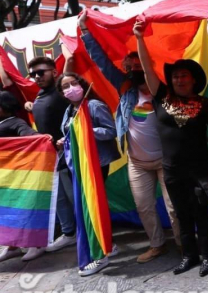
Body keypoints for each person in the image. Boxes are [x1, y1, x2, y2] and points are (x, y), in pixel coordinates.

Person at [72, 11, 181, 264]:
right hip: (137, 162)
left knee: (174, 207)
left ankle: (184, 244)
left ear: (147, 66)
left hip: (166, 160)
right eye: (129, 67)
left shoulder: (160, 90)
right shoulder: (125, 89)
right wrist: (85, 32)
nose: (133, 70)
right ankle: (157, 245)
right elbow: (101, 62)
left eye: (138, 65)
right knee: (144, 207)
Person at [135, 20, 208, 277]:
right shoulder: (161, 97)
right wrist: (139, 38)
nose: (179, 79)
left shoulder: (206, 104)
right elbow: (148, 69)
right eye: (175, 76)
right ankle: (189, 257)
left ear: (194, 80)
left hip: (199, 169)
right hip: (171, 169)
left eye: (184, 75)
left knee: (201, 213)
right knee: (182, 215)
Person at [57, 72, 121, 276]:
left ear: (82, 84)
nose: (70, 88)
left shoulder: (93, 106)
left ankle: (100, 253)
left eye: (73, 83)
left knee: (92, 207)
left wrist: (86, 130)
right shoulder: (69, 110)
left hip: (96, 163)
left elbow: (111, 131)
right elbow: (69, 133)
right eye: (65, 86)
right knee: (89, 208)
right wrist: (64, 139)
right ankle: (106, 242)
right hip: (79, 164)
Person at [25, 57, 77, 255]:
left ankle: (87, 234)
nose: (37, 77)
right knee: (60, 198)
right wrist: (30, 105)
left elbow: (71, 61)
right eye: (33, 74)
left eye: (41, 72)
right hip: (50, 156)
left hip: (67, 153)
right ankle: (69, 233)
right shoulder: (40, 95)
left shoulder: (61, 90)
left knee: (74, 198)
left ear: (55, 72)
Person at [0, 91, 50, 263]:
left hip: (17, 177)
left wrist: (43, 139)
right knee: (7, 212)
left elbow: (30, 135)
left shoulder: (15, 122)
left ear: (4, 107)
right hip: (4, 178)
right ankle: (13, 245)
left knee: (22, 208)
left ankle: (36, 245)